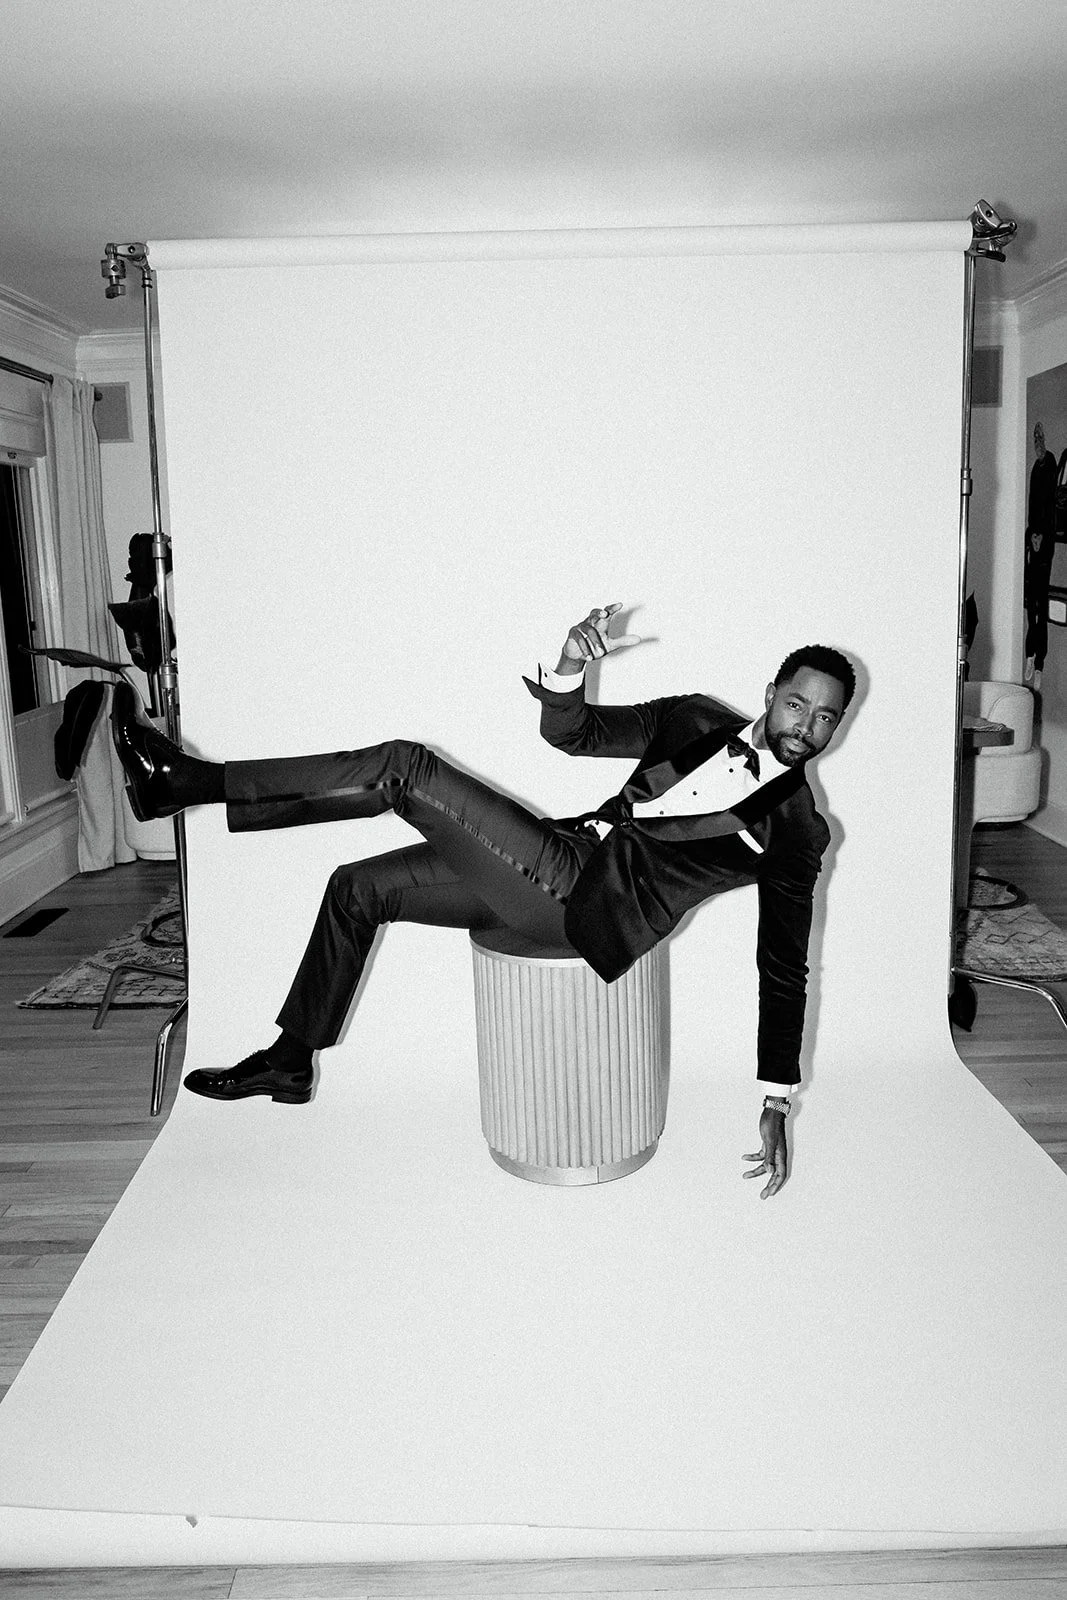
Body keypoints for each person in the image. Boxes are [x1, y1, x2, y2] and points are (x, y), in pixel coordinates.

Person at [111, 604, 855, 1198]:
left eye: (825, 718)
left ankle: (189, 784)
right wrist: (571, 666)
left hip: (584, 906)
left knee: (406, 768)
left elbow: (783, 967)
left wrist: (776, 1098)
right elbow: (575, 734)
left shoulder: (798, 831)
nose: (807, 728)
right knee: (358, 889)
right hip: (558, 852)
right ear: (770, 695)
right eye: (798, 705)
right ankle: (291, 1059)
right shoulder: (694, 717)